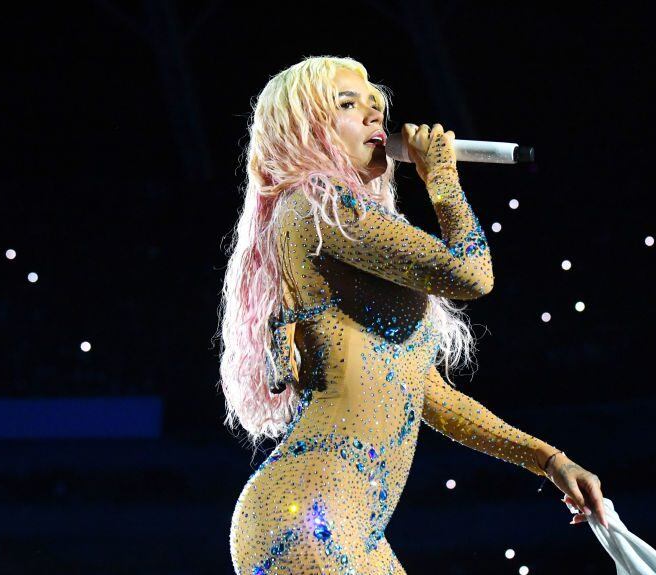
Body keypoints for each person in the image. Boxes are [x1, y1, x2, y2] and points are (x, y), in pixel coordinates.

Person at [216, 56, 607, 575]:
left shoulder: (342, 228)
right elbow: (472, 275)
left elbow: (426, 393)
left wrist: (549, 460)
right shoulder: (315, 206)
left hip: (348, 524)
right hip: (306, 519)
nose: (374, 115)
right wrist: (441, 178)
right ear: (304, 127)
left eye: (376, 105)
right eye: (348, 104)